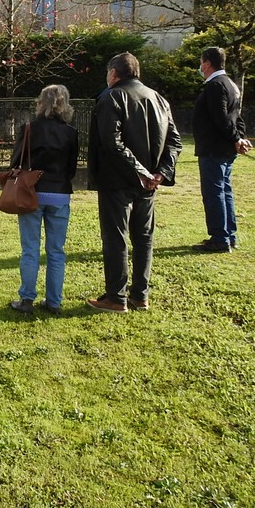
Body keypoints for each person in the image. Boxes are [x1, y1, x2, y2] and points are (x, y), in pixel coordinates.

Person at [86, 52, 182, 313]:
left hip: (118, 179)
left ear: (113, 73)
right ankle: (140, 295)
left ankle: (116, 298)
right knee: (143, 237)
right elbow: (175, 141)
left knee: (116, 237)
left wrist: (144, 172)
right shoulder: (158, 99)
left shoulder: (111, 97)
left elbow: (111, 141)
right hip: (147, 181)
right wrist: (159, 173)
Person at [7, 84, 79, 315]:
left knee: (30, 248)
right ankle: (54, 302)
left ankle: (27, 299)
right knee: (56, 251)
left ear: (41, 102)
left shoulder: (29, 128)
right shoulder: (71, 133)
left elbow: (16, 161)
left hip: (31, 192)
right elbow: (71, 168)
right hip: (59, 192)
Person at [192, 46, 252, 253]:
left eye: (202, 62)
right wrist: (240, 137)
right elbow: (237, 117)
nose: (200, 66)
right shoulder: (231, 84)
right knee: (224, 191)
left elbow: (221, 118)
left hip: (213, 147)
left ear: (207, 63)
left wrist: (236, 138)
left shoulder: (215, 85)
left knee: (214, 193)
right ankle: (229, 235)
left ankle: (219, 238)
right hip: (224, 148)